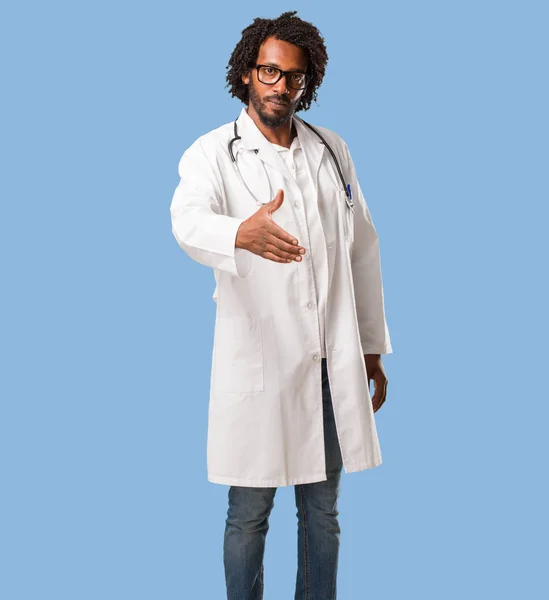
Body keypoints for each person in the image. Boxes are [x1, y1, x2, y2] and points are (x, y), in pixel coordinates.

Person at [170, 10, 393, 600]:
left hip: (329, 365)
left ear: (307, 82)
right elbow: (186, 220)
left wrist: (370, 348)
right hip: (261, 368)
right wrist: (238, 234)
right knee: (249, 515)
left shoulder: (331, 150)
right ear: (247, 74)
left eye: (293, 77)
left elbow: (362, 248)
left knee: (323, 516)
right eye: (269, 72)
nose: (280, 87)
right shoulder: (215, 152)